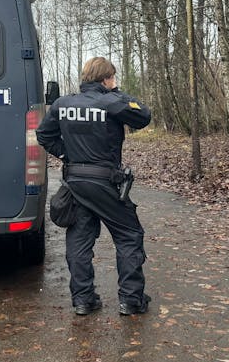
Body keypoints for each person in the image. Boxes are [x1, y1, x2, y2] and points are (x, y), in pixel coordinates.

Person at [36, 57, 152, 316]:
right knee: (129, 235)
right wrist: (118, 94)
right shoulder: (111, 102)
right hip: (106, 182)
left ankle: (83, 300)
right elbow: (144, 116)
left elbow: (44, 135)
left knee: (79, 240)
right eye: (113, 77)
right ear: (106, 79)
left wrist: (67, 156)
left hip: (76, 182)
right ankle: (131, 300)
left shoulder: (62, 104)